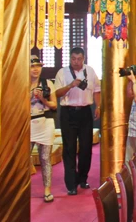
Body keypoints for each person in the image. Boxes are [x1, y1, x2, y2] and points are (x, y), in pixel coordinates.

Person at [54, 47, 101, 195]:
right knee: (69, 148)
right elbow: (57, 93)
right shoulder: (62, 72)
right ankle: (71, 184)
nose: (76, 62)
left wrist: (98, 106)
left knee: (86, 147)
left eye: (79, 59)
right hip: (68, 113)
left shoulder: (90, 71)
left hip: (85, 112)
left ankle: (83, 178)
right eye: (73, 59)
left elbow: (97, 90)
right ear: (70, 58)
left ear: (84, 58)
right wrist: (70, 85)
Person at [30, 55, 57, 203]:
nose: (35, 69)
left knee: (45, 158)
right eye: (32, 66)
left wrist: (42, 99)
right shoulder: (21, 83)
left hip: (45, 123)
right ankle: (22, 187)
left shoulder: (47, 84)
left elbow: (54, 105)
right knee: (23, 159)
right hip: (28, 124)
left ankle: (47, 191)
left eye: (38, 66)